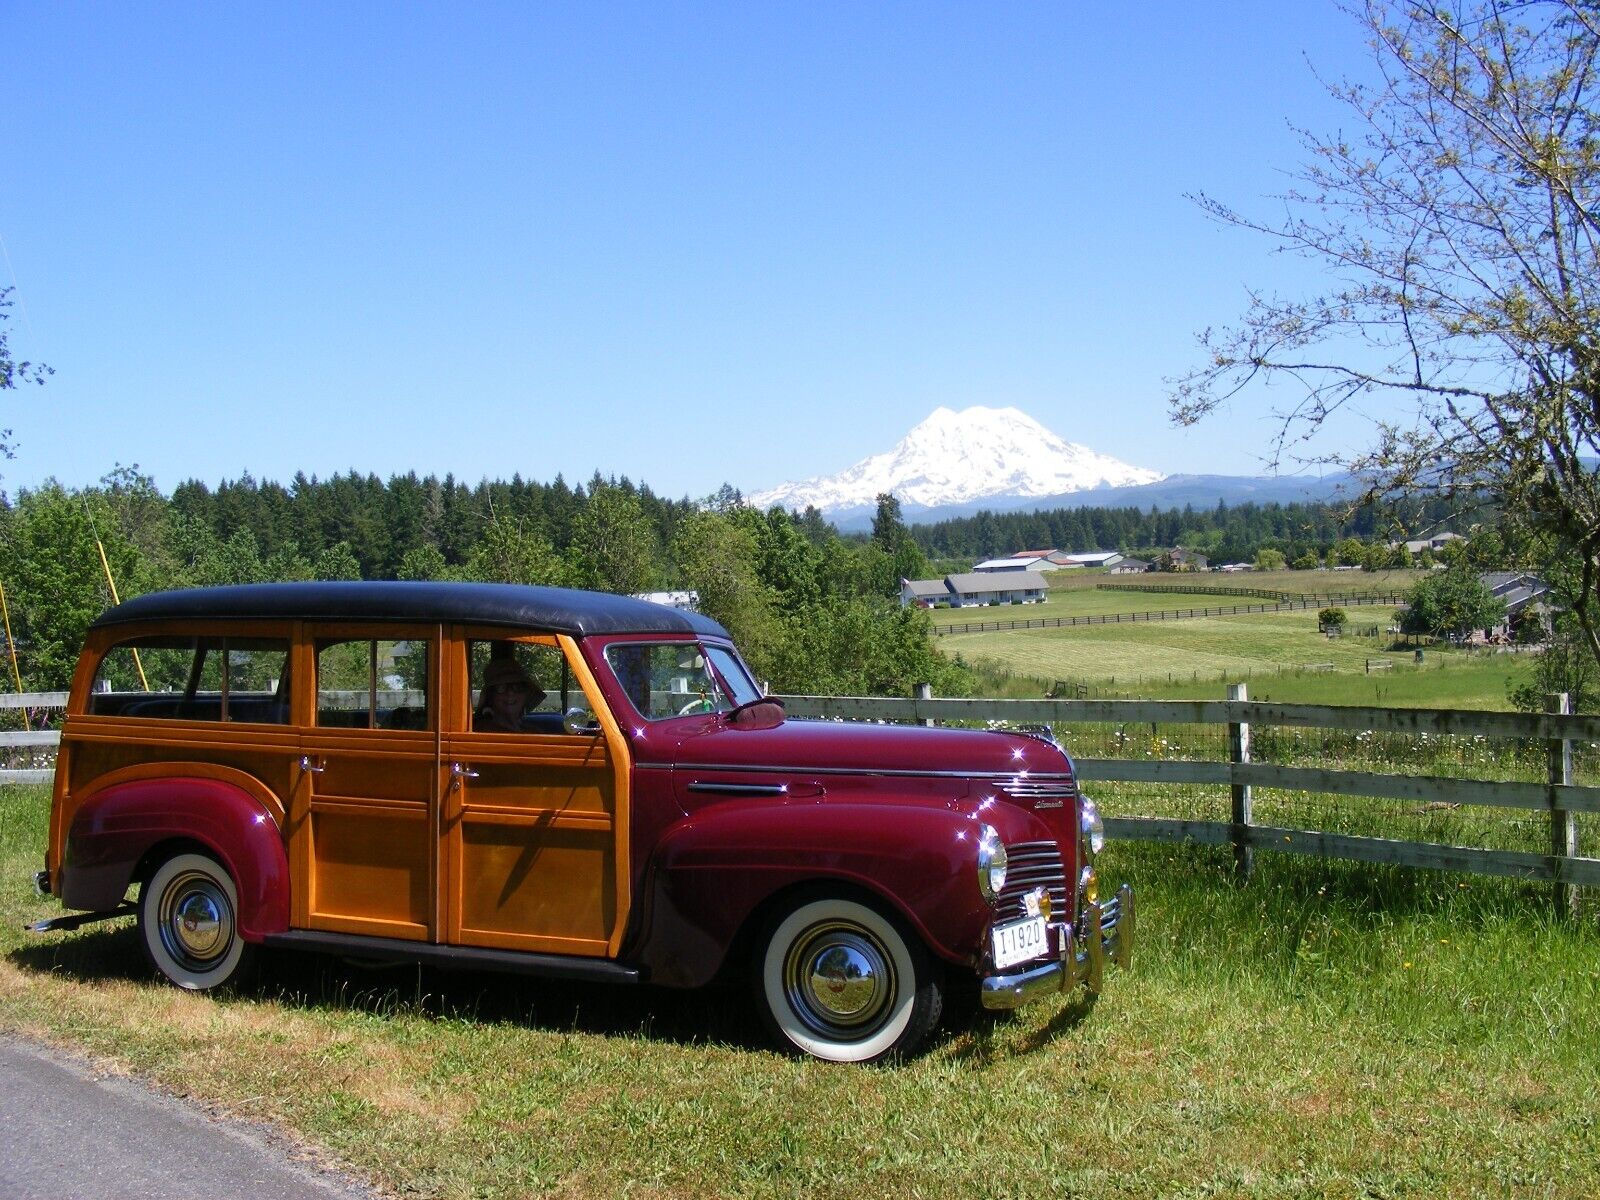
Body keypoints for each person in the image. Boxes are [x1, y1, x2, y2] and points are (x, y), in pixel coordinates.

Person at [473, 656, 545, 732]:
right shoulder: (483, 731)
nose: (510, 693)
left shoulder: (532, 732)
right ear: (490, 696)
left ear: (526, 694)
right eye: (501, 687)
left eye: (518, 687)